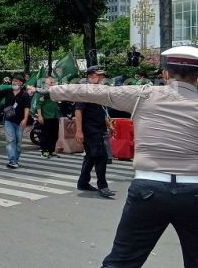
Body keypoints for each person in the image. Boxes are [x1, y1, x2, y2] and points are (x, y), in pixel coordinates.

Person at [49, 46, 198, 268]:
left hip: (148, 188)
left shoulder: (143, 94)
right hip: (193, 191)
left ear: (165, 74)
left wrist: (51, 90)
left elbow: (95, 92)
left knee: (121, 262)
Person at [70, 66, 114, 198]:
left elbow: (101, 110)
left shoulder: (98, 90)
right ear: (90, 77)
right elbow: (78, 111)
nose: (101, 78)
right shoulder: (84, 91)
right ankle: (103, 186)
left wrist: (108, 124)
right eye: (97, 75)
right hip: (90, 130)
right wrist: (79, 131)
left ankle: (83, 182)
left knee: (90, 156)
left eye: (101, 75)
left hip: (98, 128)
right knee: (101, 156)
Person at [0, 74, 30, 169]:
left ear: (21, 83)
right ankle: (12, 160)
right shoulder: (8, 91)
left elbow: (27, 108)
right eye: (13, 81)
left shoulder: (25, 94)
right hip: (8, 120)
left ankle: (15, 160)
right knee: (10, 140)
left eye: (17, 81)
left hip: (20, 121)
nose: (14, 82)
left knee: (18, 142)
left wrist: (25, 119)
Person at [34, 77, 60, 158]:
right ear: (46, 84)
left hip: (55, 116)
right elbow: (38, 105)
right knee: (46, 134)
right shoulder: (42, 92)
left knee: (55, 135)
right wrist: (40, 116)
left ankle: (52, 151)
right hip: (46, 116)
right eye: (50, 83)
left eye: (53, 82)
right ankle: (44, 151)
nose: (52, 84)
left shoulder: (55, 92)